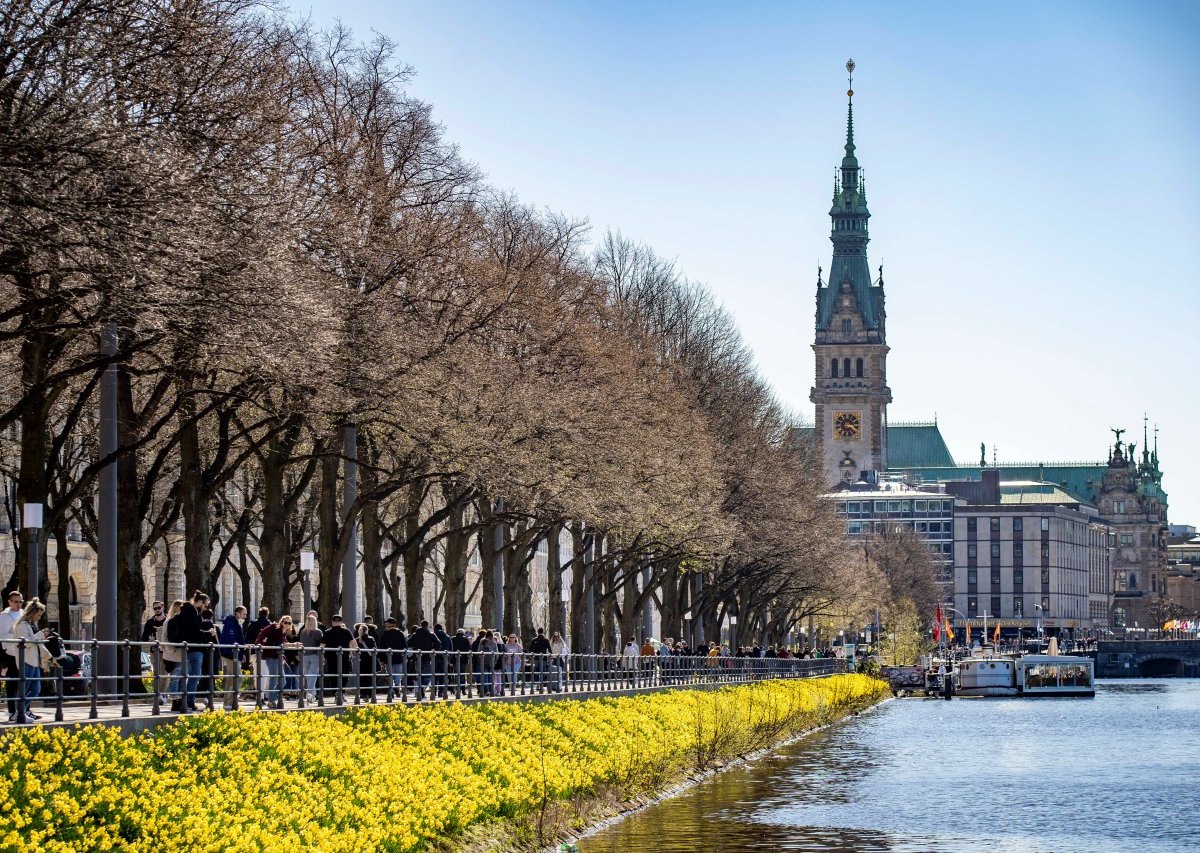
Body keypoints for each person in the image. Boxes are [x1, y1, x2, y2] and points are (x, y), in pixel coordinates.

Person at [8, 599, 47, 723]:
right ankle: (18, 713)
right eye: (38, 614)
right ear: (32, 612)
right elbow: (28, 642)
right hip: (26, 660)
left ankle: (21, 711)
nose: (39, 617)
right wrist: (41, 634)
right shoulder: (22, 625)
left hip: (33, 660)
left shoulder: (30, 624)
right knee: (24, 688)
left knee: (36, 688)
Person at [171, 591, 209, 713]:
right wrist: (207, 633)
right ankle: (188, 702)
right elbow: (193, 631)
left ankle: (187, 701)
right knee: (194, 676)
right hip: (194, 648)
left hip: (190, 648)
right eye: (205, 605)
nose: (205, 608)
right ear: (199, 602)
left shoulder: (189, 611)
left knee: (189, 676)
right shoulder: (191, 613)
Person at [0, 590, 26, 721]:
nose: (18, 604)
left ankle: (24, 710)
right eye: (15, 601)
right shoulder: (5, 616)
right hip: (9, 652)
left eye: (20, 601)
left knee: (20, 682)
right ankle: (11, 712)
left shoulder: (23, 614)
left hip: (21, 652)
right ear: (9, 602)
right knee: (12, 682)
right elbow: (3, 637)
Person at [321, 615, 355, 701]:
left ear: (332, 622)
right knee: (344, 675)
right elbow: (354, 643)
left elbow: (322, 646)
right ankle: (341, 693)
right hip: (344, 657)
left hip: (331, 658)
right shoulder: (346, 631)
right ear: (341, 622)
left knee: (333, 676)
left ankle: (336, 693)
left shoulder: (327, 632)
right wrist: (353, 652)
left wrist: (322, 657)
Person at [219, 606, 247, 709]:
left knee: (231, 678)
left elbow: (238, 639)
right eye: (243, 614)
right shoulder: (231, 622)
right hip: (230, 653)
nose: (245, 617)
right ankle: (231, 701)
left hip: (233, 652)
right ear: (238, 613)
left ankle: (227, 702)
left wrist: (242, 653)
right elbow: (232, 638)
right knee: (238, 677)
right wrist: (237, 649)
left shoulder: (235, 623)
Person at [159, 600, 184, 706]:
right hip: (173, 653)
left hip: (174, 653)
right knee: (175, 677)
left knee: (178, 677)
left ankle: (175, 697)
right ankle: (175, 699)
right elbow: (164, 638)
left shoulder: (170, 620)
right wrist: (171, 650)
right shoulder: (170, 621)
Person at [140, 601, 168, 696]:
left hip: (165, 651)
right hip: (154, 651)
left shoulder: (168, 621)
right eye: (155, 608)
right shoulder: (150, 622)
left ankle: (163, 694)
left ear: (163, 607)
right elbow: (143, 637)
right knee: (156, 673)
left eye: (158, 608)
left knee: (164, 673)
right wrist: (149, 641)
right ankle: (157, 693)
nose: (157, 610)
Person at [377, 617, 408, 697]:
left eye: (387, 623)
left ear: (391, 624)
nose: (386, 624)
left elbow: (382, 646)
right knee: (398, 673)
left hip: (387, 657)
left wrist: (381, 658)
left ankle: (391, 689)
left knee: (389, 673)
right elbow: (404, 646)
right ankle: (397, 687)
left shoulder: (386, 633)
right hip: (398, 656)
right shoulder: (400, 633)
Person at [408, 620, 438, 701]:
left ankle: (420, 689)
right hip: (427, 657)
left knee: (419, 674)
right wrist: (433, 649)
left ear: (420, 625)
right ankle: (423, 688)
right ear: (427, 625)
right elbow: (438, 643)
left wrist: (415, 647)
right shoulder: (431, 634)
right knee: (427, 675)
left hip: (417, 657)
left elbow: (408, 643)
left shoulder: (415, 634)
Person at [297, 612, 324, 703]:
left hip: (304, 655)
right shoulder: (318, 632)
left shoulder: (302, 632)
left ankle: (313, 694)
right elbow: (321, 644)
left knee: (308, 676)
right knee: (313, 675)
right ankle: (310, 693)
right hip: (315, 655)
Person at [354, 622, 377, 699]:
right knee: (369, 677)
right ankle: (368, 693)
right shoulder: (371, 639)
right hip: (369, 660)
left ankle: (362, 693)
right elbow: (375, 649)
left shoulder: (357, 640)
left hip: (360, 661)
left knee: (361, 677)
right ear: (367, 631)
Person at [450, 628, 471, 694]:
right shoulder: (466, 639)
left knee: (456, 674)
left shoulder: (453, 639)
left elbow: (451, 649)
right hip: (463, 660)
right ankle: (463, 690)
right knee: (462, 674)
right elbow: (469, 649)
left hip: (455, 659)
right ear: (463, 633)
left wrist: (450, 660)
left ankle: (456, 689)